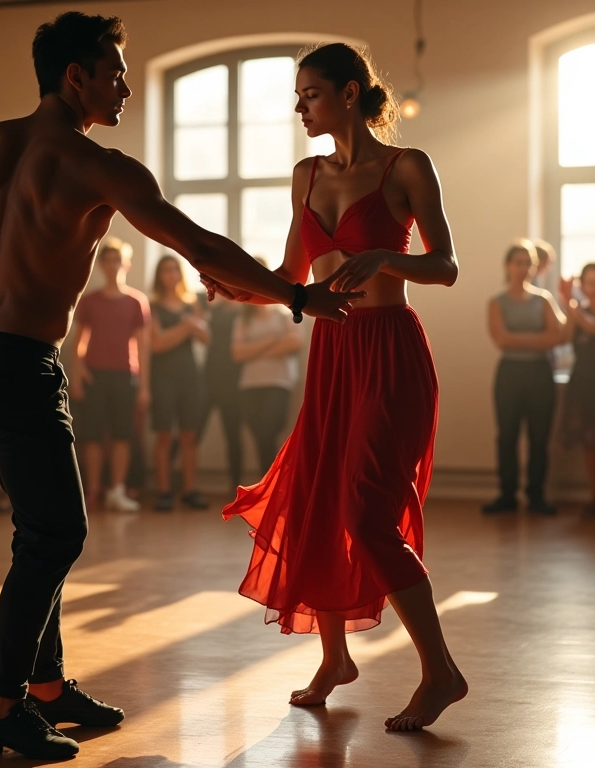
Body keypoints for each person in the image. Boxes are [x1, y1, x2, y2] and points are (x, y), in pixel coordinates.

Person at [0, 13, 361, 759]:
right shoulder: (99, 166)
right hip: (21, 364)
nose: (125, 88)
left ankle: (47, 687)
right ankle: (1, 707)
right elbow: (197, 244)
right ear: (76, 77)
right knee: (57, 533)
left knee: (40, 528)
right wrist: (296, 296)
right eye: (116, 74)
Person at [205, 41, 466, 731]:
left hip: (391, 351)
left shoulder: (407, 167)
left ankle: (440, 671)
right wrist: (236, 287)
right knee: (317, 498)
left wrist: (386, 257)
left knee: (367, 512)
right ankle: (333, 660)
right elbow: (292, 278)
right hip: (332, 352)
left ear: (350, 94)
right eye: (298, 97)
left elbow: (445, 267)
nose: (300, 108)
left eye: (311, 94)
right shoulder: (306, 175)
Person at [68, 237, 150, 512]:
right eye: (108, 260)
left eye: (118, 260)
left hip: (125, 377)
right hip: (94, 377)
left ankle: (117, 489)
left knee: (122, 435)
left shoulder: (136, 301)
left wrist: (144, 387)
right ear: (101, 265)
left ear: (126, 264)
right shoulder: (89, 301)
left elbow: (142, 346)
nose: (113, 265)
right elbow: (78, 341)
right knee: (91, 435)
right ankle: (92, 491)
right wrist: (77, 373)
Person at [483, 239, 564, 516]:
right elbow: (501, 340)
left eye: (528, 263)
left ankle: (536, 495)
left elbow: (557, 336)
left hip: (540, 373)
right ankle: (507, 494)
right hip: (509, 374)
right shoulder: (497, 302)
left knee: (539, 438)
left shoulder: (544, 299)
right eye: (517, 262)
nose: (522, 268)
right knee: (507, 436)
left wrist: (518, 339)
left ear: (535, 267)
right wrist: (539, 339)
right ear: (508, 266)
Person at [150, 255, 209, 511]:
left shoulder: (192, 303)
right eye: (166, 270)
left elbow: (206, 338)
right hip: (162, 377)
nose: (171, 274)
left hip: (189, 377)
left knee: (189, 435)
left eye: (175, 269)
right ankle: (164, 492)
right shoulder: (153, 306)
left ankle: (189, 490)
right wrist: (186, 328)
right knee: (164, 435)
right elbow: (157, 344)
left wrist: (184, 329)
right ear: (159, 275)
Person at [231, 269, 303, 476]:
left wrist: (254, 350)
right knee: (259, 435)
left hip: (279, 382)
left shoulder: (285, 314)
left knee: (268, 433)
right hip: (250, 385)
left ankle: (271, 481)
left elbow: (294, 343)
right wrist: (272, 340)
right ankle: (268, 482)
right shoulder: (243, 320)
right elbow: (237, 354)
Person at [196, 293, 243, 495]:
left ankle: (236, 486)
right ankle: (173, 480)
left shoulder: (244, 313)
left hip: (233, 382)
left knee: (233, 435)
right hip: (208, 379)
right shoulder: (212, 310)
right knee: (192, 430)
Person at [560, 263, 595, 517]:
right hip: (584, 387)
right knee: (589, 445)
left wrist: (569, 302)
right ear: (582, 286)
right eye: (590, 283)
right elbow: (565, 337)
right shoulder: (578, 310)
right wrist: (570, 307)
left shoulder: (576, 310)